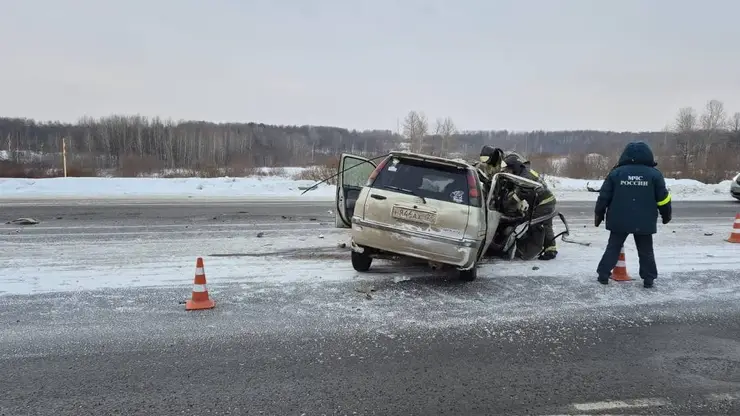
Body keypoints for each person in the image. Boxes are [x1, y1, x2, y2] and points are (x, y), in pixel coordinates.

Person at [594, 141, 672, 288]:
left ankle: (603, 275)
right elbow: (663, 199)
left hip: (619, 219)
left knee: (613, 247)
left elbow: (604, 196)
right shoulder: (654, 175)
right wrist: (666, 215)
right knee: (646, 250)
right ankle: (648, 279)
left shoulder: (616, 173)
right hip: (644, 220)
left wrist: (599, 214)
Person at [501, 152, 559, 260]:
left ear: (515, 167)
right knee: (545, 225)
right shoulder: (524, 172)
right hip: (542, 202)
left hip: (544, 203)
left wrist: (507, 203)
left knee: (534, 224)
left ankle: (535, 250)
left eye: (509, 168)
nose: (509, 171)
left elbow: (520, 194)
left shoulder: (525, 177)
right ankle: (550, 249)